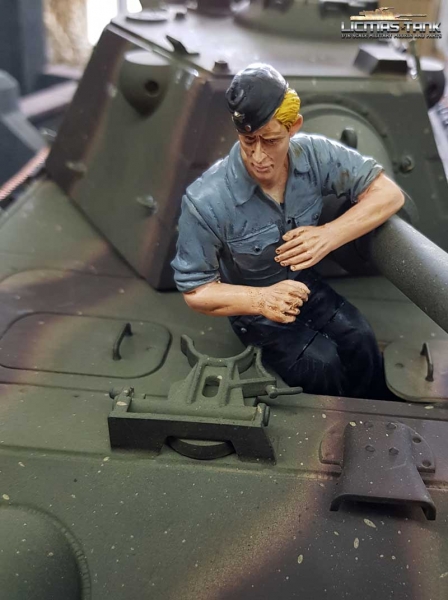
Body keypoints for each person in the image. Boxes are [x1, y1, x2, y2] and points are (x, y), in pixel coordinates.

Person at [170, 63, 404, 399]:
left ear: (294, 127)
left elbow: (389, 194)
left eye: (271, 140)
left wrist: (330, 234)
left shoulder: (315, 156)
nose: (258, 156)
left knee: (360, 337)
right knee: (320, 364)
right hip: (253, 307)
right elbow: (196, 291)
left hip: (305, 283)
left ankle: (377, 407)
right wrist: (261, 299)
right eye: (248, 140)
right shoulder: (206, 200)